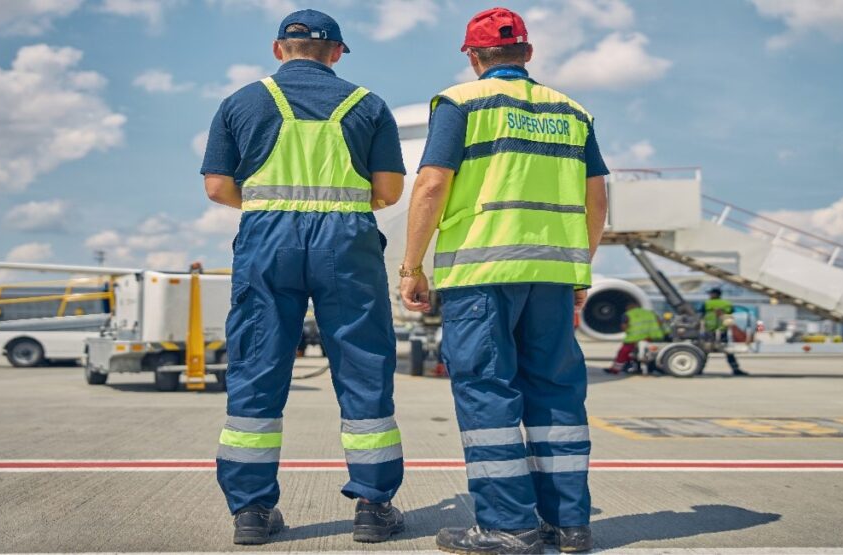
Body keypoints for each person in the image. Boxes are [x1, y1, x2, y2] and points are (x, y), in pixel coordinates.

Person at [398, 7, 609, 553]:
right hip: (554, 274)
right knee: (558, 394)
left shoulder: (461, 103)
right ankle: (569, 525)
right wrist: (577, 267)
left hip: (482, 271)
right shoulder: (573, 110)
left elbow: (431, 185)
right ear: (528, 55)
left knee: (489, 395)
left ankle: (507, 524)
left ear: (473, 56)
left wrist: (412, 265)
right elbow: (596, 197)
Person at [201, 9, 407, 545]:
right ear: (336, 53)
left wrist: (274, 208)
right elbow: (389, 191)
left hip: (268, 242)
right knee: (363, 366)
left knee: (257, 365)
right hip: (347, 243)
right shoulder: (368, 104)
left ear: (278, 50)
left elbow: (218, 188)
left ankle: (251, 511)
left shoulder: (241, 102)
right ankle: (372, 505)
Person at [607, 302, 665, 374]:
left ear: (628, 307)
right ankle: (650, 368)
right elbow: (660, 323)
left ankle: (615, 369)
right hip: (652, 337)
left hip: (634, 338)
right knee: (652, 353)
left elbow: (624, 327)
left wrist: (628, 331)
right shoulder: (650, 313)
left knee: (623, 353)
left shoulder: (628, 314)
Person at [701, 287, 747, 376]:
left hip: (710, 330)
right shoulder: (727, 303)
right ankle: (735, 369)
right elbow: (732, 313)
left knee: (705, 350)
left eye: (711, 294)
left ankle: (699, 368)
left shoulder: (707, 303)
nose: (709, 295)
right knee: (728, 351)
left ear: (715, 294)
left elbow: (700, 314)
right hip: (723, 330)